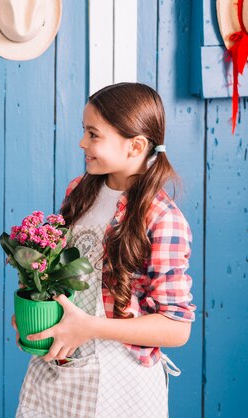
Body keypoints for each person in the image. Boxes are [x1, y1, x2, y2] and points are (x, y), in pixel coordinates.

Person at [13, 82, 196, 417]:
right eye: (84, 131)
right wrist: (37, 313)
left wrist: (92, 327)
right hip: (61, 369)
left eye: (94, 134)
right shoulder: (80, 191)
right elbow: (63, 273)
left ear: (135, 145)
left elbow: (177, 327)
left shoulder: (162, 218)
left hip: (122, 383)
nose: (82, 142)